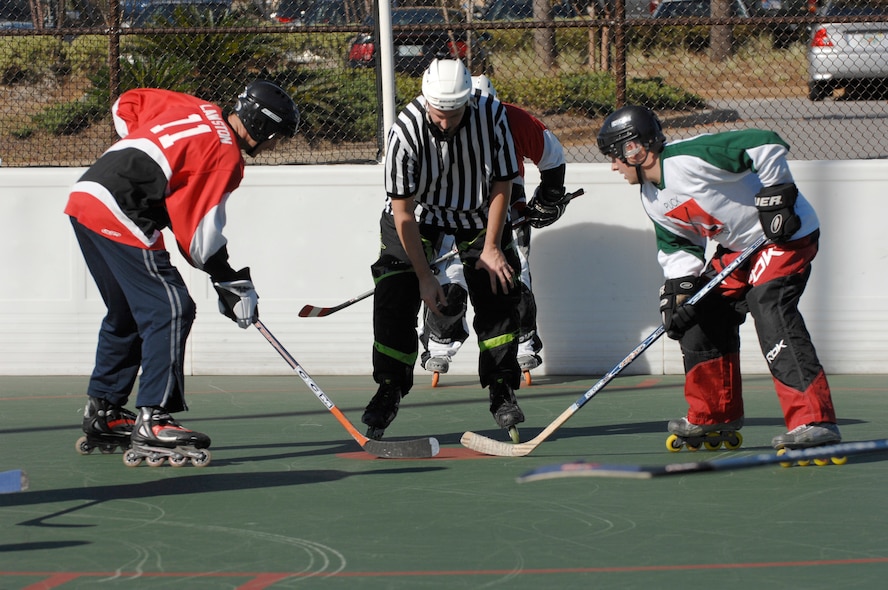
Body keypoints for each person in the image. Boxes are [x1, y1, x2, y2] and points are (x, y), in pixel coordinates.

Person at [66, 80, 300, 465]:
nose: (276, 146)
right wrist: (231, 282)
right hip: (119, 208)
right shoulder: (225, 156)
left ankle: (105, 411)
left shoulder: (199, 107)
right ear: (264, 130)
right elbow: (199, 242)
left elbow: (128, 104)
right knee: (170, 307)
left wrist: (144, 157)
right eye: (278, 138)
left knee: (128, 310)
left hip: (87, 195)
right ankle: (154, 418)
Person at [596, 105, 840, 452]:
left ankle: (813, 419)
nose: (613, 166)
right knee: (700, 310)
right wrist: (680, 293)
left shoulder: (688, 160)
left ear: (633, 148)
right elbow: (679, 246)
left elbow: (764, 143)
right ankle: (714, 414)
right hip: (740, 249)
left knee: (767, 304)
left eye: (614, 156)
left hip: (785, 236)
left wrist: (778, 194)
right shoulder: (651, 197)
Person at [362, 58, 524, 442]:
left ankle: (501, 388)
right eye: (439, 113)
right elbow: (402, 212)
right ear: (426, 100)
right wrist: (423, 276)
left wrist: (491, 248)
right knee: (394, 292)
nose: (446, 122)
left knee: (498, 285)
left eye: (454, 112)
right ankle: (389, 388)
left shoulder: (493, 116)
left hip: (478, 212)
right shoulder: (405, 130)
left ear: (468, 100)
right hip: (420, 215)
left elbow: (503, 184)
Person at [417, 75, 572, 385]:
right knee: (451, 274)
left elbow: (552, 158)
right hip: (452, 198)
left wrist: (550, 196)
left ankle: (522, 339)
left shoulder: (515, 119)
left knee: (513, 271)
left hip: (505, 194)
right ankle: (440, 340)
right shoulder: (431, 122)